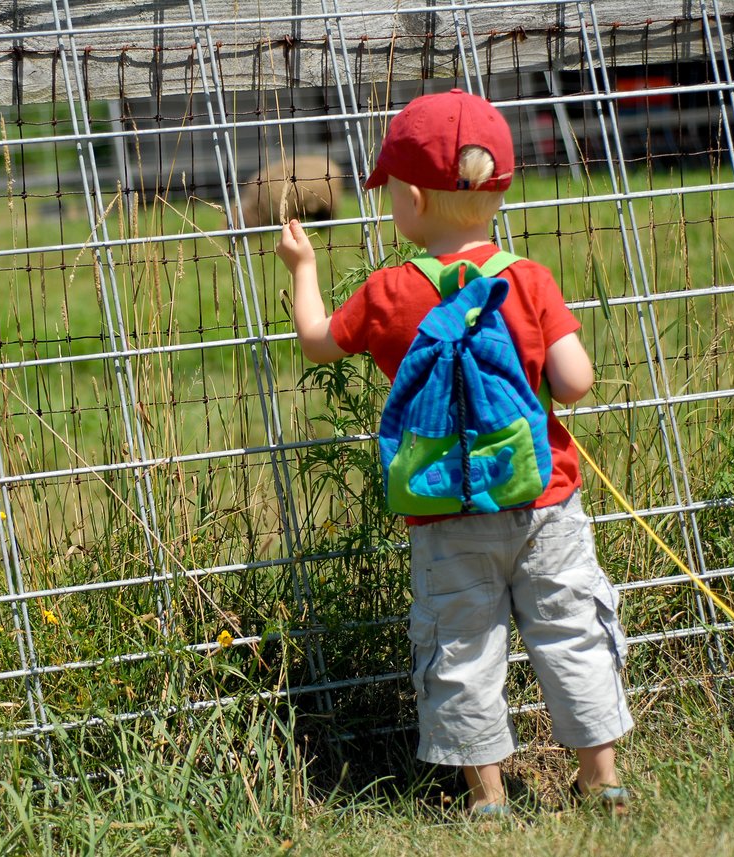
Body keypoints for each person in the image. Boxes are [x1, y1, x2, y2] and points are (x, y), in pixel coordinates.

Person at [275, 89, 634, 815]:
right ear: (500, 186)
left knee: (463, 649)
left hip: (443, 510)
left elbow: (317, 344)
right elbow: (577, 381)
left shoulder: (388, 291)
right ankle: (602, 778)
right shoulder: (527, 279)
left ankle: (489, 795)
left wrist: (301, 267)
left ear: (409, 197)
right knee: (570, 631)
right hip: (545, 501)